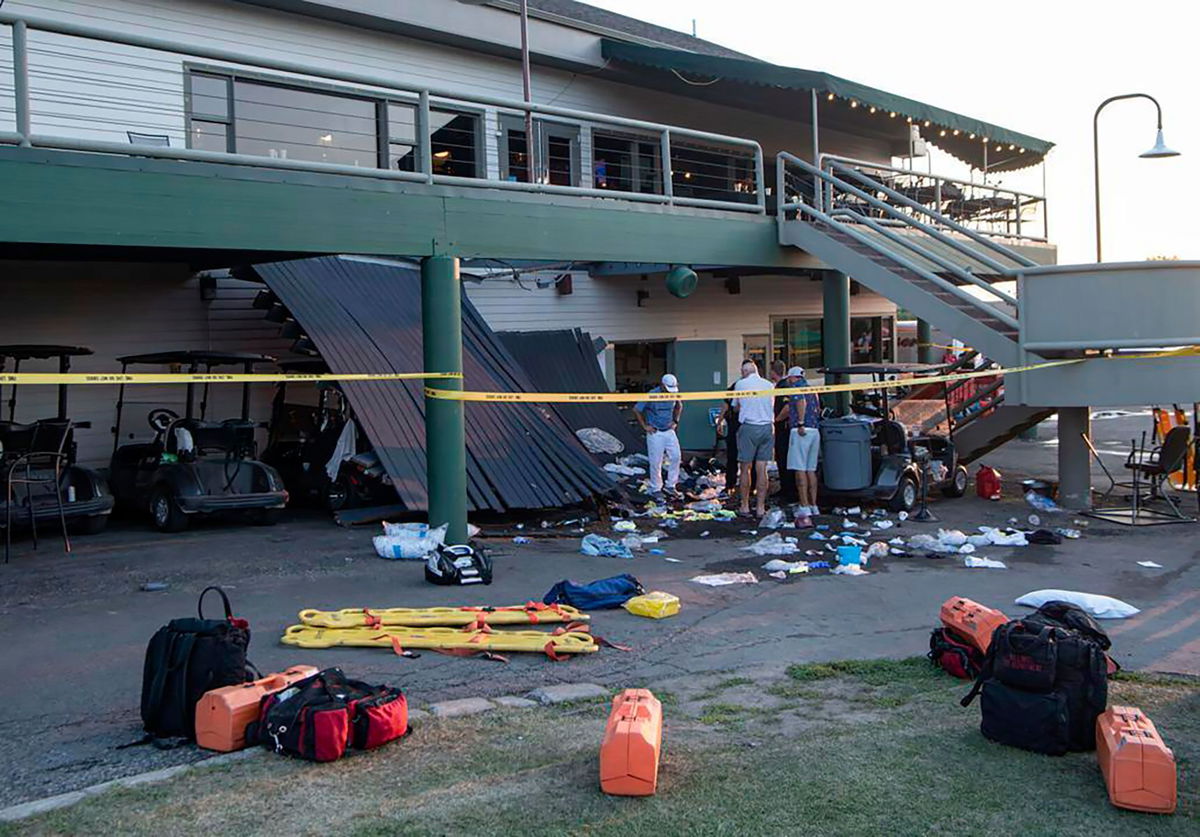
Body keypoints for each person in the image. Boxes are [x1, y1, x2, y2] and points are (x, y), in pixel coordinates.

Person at [779, 366, 822, 526]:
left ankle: (804, 506)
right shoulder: (812, 389)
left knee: (800, 469)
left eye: (789, 379)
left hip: (801, 430)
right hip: (814, 430)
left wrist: (801, 422)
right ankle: (813, 504)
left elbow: (800, 402)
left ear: (792, 378)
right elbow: (817, 407)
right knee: (811, 469)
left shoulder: (796, 389)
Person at [731, 359, 774, 518]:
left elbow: (736, 407)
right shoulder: (769, 385)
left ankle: (745, 506)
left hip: (749, 426)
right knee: (762, 468)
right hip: (767, 426)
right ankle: (761, 508)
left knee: (745, 468)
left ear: (744, 372)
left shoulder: (740, 385)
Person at [634, 373, 682, 500]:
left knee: (676, 456)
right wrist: (645, 426)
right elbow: (637, 409)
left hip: (668, 430)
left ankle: (671, 485)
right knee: (656, 461)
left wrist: (675, 421)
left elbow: (679, 406)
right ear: (661, 385)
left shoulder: (674, 393)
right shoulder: (651, 395)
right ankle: (656, 488)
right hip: (655, 432)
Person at [771, 359, 797, 503]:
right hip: (783, 428)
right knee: (781, 459)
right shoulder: (782, 385)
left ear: (773, 372)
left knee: (784, 458)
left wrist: (776, 420)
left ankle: (789, 491)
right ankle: (784, 488)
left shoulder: (784, 386)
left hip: (784, 429)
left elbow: (787, 408)